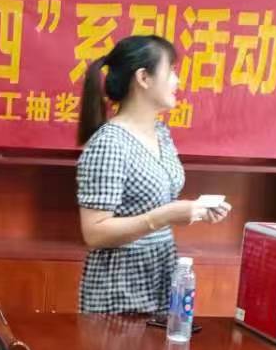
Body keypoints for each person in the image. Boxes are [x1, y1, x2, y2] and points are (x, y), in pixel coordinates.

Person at [75, 35, 231, 314]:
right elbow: (95, 233)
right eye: (170, 71)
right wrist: (166, 215)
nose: (177, 81)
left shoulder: (160, 133)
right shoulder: (109, 143)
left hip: (161, 277)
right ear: (143, 78)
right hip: (120, 290)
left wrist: (197, 210)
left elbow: (156, 203)